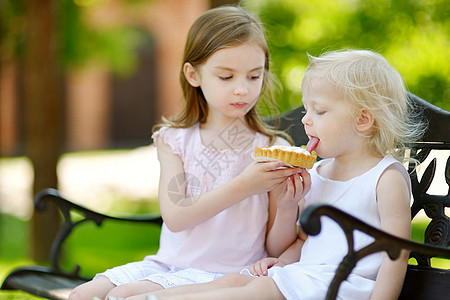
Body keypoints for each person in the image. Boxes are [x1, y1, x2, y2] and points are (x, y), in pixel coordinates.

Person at [127, 49, 426, 300]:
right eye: (307, 110)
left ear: (362, 119)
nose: (306, 120)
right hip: (304, 278)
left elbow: (395, 251)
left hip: (343, 286)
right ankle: (151, 296)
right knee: (236, 281)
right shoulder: (319, 172)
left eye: (319, 111)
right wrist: (280, 259)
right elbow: (303, 241)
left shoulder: (384, 177)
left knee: (259, 290)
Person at [69, 5, 309, 300]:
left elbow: (275, 249)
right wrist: (245, 185)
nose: (241, 90)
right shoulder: (174, 140)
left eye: (253, 76)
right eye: (226, 77)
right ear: (193, 74)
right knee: (81, 295)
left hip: (228, 276)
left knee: (125, 297)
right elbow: (176, 216)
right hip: (167, 266)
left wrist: (287, 207)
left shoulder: (274, 150)